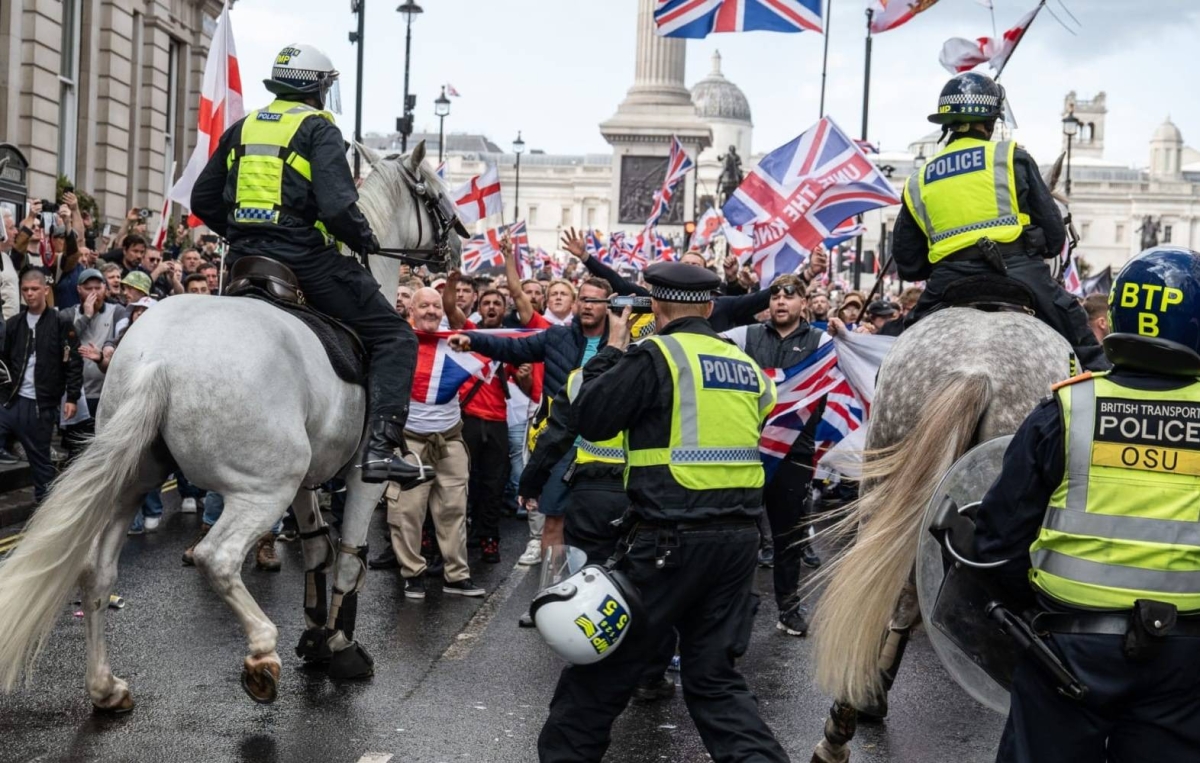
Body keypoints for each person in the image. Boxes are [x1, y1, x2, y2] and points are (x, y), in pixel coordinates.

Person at [537, 261, 787, 763]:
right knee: (716, 684)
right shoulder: (742, 364)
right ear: (710, 307)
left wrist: (614, 347)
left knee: (596, 681)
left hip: (666, 544)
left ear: (654, 305)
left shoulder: (657, 355)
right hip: (737, 545)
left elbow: (592, 417)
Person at [972, 247, 1200, 763]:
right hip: (1185, 661)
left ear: (1115, 317)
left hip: (1066, 651)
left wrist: (1030, 612)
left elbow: (998, 539)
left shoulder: (1068, 406)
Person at [189, 42, 427, 487]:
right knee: (395, 336)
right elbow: (338, 207)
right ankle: (380, 449)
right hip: (303, 259)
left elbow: (203, 199)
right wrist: (364, 238)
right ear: (317, 87)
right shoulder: (319, 128)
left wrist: (242, 232)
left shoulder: (243, 127)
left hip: (244, 261)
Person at [893, 71, 1106, 370]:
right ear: (992, 121)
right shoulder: (1011, 157)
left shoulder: (918, 179)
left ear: (947, 124)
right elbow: (1056, 237)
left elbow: (908, 263)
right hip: (1017, 269)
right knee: (1078, 333)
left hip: (947, 278)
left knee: (897, 360)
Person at [379, 287, 484, 599]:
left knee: (453, 508)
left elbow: (491, 349)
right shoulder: (398, 341)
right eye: (423, 305)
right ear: (411, 310)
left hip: (450, 440)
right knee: (406, 512)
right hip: (409, 443)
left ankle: (457, 576)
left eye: (436, 306)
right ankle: (413, 574)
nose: (431, 311)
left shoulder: (456, 342)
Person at [737, 274, 826, 638]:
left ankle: (788, 608)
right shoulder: (749, 338)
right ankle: (738, 608)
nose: (780, 302)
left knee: (788, 536)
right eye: (774, 295)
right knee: (742, 534)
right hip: (748, 448)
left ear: (803, 303)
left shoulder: (821, 341)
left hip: (795, 452)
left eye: (789, 296)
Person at [0, 271, 82, 501]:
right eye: (25, 290)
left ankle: (44, 509)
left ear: (45, 290)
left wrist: (72, 398)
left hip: (41, 407)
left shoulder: (60, 323)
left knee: (40, 463)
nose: (29, 294)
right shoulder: (14, 323)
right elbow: (4, 360)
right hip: (11, 402)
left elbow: (73, 363)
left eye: (34, 289)